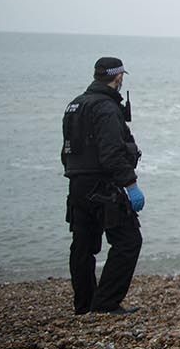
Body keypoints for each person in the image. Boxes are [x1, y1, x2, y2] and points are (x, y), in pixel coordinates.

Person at [61, 57, 144, 315]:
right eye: (121, 77)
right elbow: (111, 153)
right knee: (129, 241)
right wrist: (130, 185)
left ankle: (84, 304)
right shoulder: (107, 108)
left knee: (83, 245)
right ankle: (106, 303)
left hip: (77, 184)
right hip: (103, 185)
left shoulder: (75, 104)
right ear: (117, 77)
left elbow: (67, 149)